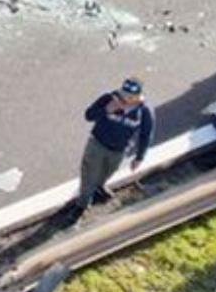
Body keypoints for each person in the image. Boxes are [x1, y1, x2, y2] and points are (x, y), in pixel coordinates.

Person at [62, 79, 155, 222]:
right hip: (97, 144)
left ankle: (99, 186)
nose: (126, 99)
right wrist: (106, 110)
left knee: (109, 171)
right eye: (124, 94)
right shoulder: (108, 98)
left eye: (131, 96)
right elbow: (89, 115)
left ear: (138, 96)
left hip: (119, 150)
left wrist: (139, 157)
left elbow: (146, 134)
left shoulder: (144, 111)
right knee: (89, 175)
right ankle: (82, 204)